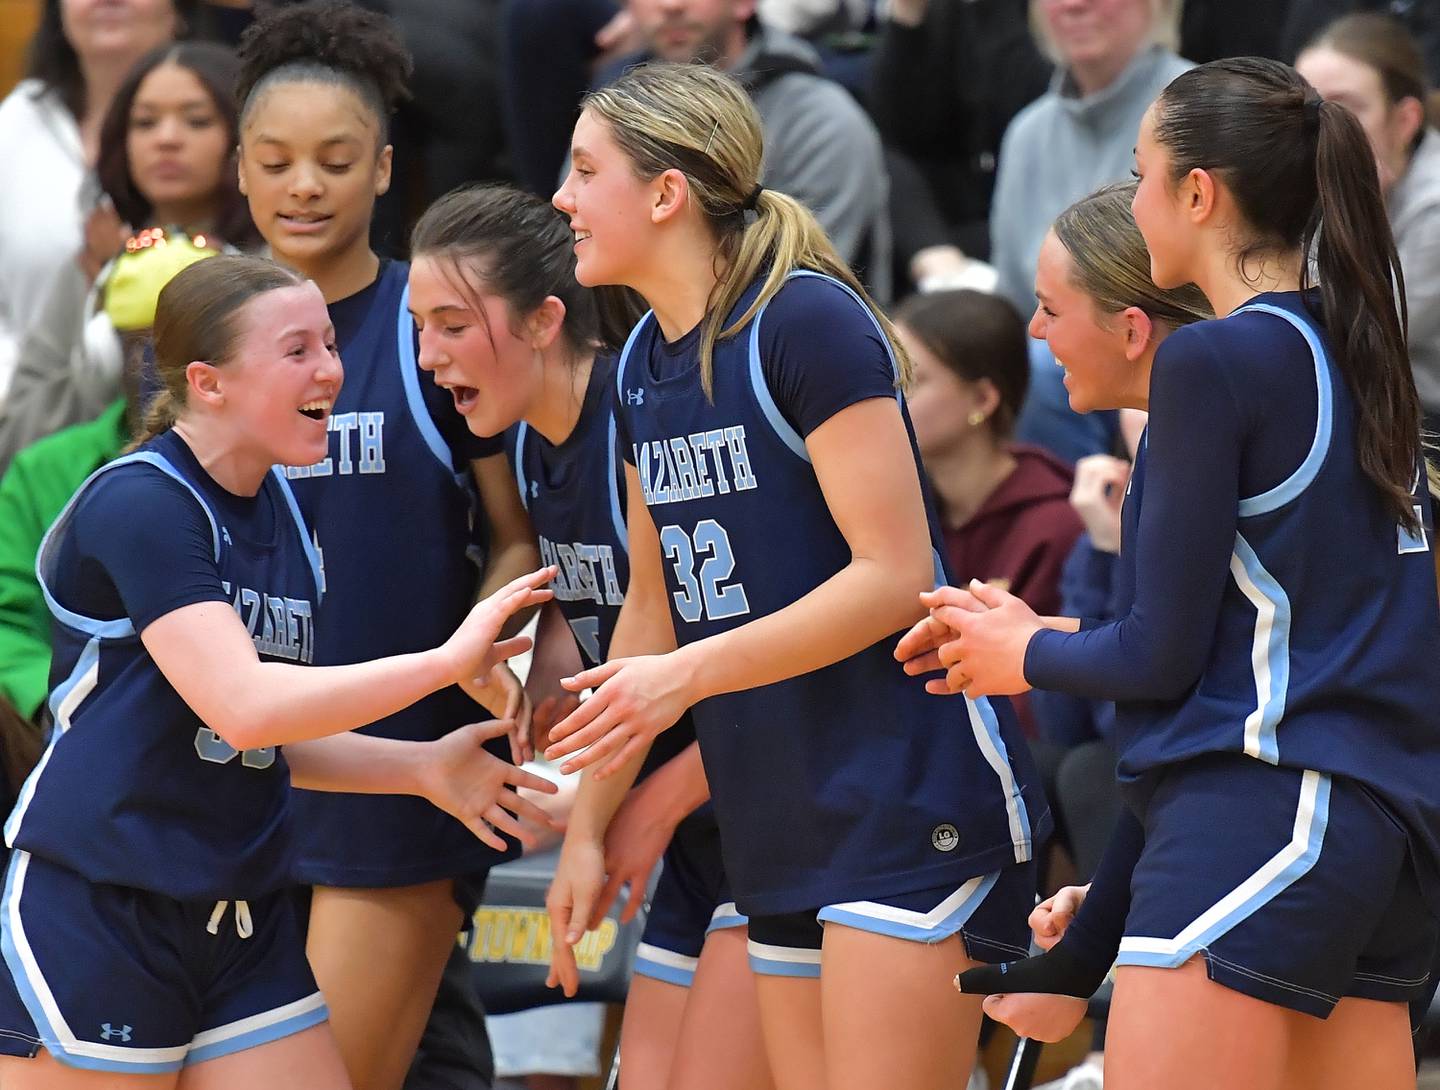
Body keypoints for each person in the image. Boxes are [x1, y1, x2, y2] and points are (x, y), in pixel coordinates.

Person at [904, 57, 1440, 1090]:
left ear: (1199, 194)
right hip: (1377, 842)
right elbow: (1207, 690)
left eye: (1144, 170)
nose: (1135, 191)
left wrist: (1026, 650)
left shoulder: (1213, 362)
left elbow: (1160, 658)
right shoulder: (1351, 347)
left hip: (1268, 812)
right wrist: (1099, 926)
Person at [542, 62, 1050, 1090]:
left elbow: (893, 574)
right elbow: (651, 607)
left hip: (907, 796)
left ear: (665, 192)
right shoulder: (642, 361)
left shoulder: (805, 321)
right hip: (776, 810)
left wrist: (688, 678)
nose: (561, 197)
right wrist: (586, 832)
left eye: (584, 170)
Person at [0, 253, 558, 1088]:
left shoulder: (285, 514)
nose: (331, 369)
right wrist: (445, 663)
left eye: (332, 345)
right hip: (106, 902)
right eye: (298, 350)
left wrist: (420, 768)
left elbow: (263, 742)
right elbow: (245, 709)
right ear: (208, 382)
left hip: (240, 911)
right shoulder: (142, 502)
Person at [233, 5, 541, 1089]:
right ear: (240, 171)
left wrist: (480, 641)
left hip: (408, 776)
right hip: (238, 782)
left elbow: (517, 534)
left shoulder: (431, 320)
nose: (304, 184)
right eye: (276, 161)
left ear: (384, 170)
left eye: (335, 159)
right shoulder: (202, 337)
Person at [407, 182, 772, 1090]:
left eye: (452, 325)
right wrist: (525, 664)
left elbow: (775, 655)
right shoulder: (531, 442)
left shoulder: (642, 414)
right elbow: (592, 608)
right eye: (418, 327)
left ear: (542, 322)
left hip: (772, 807)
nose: (427, 355)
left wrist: (627, 813)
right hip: (699, 824)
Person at [0, 39, 256, 475]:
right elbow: (16, 436)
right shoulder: (92, 267)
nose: (167, 139)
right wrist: (106, 353)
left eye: (196, 121)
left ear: (243, 137)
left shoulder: (268, 262)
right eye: (145, 123)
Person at [991, 0, 1191, 465]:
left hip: (1167, 349)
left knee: (1041, 363)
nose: (1074, 5)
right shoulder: (1027, 132)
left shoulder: (1197, 110)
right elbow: (1014, 300)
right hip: (1064, 362)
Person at [893, 288, 1083, 737]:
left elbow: (1037, 704)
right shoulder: (899, 517)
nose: (888, 400)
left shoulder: (1055, 526)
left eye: (912, 382)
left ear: (983, 400)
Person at [0, 0, 182, 406]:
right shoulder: (12, 125)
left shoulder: (242, 113)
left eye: (196, 119)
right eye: (147, 122)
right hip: (30, 423)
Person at [1297, 12, 1440, 429]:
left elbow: (1359, 333)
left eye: (1345, 110)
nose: (1319, 129)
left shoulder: (1434, 206)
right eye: (1307, 109)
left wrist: (1351, 207)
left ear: (1406, 120)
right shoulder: (1308, 178)